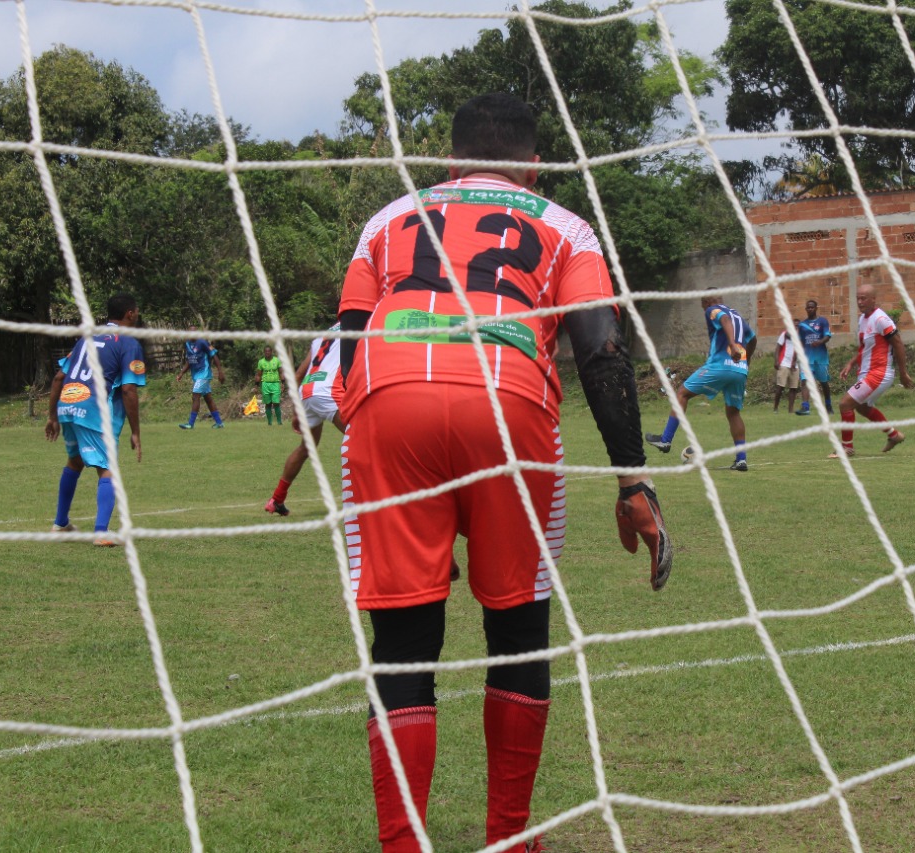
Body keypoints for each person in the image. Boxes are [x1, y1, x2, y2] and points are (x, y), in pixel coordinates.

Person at [336, 92, 672, 853]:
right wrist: (631, 480)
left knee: (403, 641)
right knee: (519, 627)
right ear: (536, 163)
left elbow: (351, 336)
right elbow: (599, 349)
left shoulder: (387, 217)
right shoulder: (564, 224)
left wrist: (372, 439)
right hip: (508, 402)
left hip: (389, 398)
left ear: (450, 161)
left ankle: (402, 844)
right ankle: (510, 839)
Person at [44, 292, 147, 546]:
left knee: (75, 461)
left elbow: (59, 377)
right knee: (107, 468)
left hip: (68, 403)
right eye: (136, 311)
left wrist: (52, 416)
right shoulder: (128, 342)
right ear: (129, 314)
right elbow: (128, 390)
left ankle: (60, 524)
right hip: (92, 408)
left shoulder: (87, 337)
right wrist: (136, 431)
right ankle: (101, 532)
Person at [645, 293, 757, 471]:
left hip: (719, 366)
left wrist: (733, 346)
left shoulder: (713, 309)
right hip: (739, 370)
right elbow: (753, 339)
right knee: (734, 413)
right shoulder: (738, 316)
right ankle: (741, 460)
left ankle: (665, 440)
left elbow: (725, 320)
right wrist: (746, 361)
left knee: (682, 393)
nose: (703, 309)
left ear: (707, 301)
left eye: (702, 305)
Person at [264, 325, 345, 517]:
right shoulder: (359, 324)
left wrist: (296, 411)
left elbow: (299, 374)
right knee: (365, 440)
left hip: (307, 391)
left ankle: (277, 499)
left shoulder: (321, 336)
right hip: (328, 392)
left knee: (306, 448)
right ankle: (373, 498)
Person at [832, 285, 915, 457]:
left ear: (873, 300)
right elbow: (865, 348)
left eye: (864, 298)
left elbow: (898, 344)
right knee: (861, 407)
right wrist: (851, 363)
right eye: (858, 298)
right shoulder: (863, 319)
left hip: (880, 373)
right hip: (867, 372)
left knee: (845, 404)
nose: (860, 302)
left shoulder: (881, 319)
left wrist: (903, 372)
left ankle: (847, 448)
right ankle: (894, 435)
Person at [175, 327, 225, 429]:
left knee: (195, 396)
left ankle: (190, 424)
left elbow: (214, 355)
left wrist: (220, 371)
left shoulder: (203, 342)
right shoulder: (188, 344)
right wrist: (181, 373)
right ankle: (219, 423)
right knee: (208, 399)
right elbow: (190, 360)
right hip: (196, 375)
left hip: (204, 374)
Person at [797, 299, 833, 416]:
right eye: (808, 307)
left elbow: (827, 336)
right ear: (806, 309)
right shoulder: (802, 325)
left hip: (821, 358)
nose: (810, 309)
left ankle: (828, 405)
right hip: (807, 359)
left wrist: (819, 342)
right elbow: (800, 341)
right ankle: (805, 407)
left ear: (816, 308)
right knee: (805, 381)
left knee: (823, 382)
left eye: (812, 307)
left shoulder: (823, 321)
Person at [772, 326, 800, 413]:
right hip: (784, 363)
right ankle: (775, 408)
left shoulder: (801, 336)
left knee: (793, 388)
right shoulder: (784, 334)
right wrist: (776, 361)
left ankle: (790, 409)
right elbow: (778, 348)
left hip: (795, 366)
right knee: (780, 387)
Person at [255, 345, 283, 426]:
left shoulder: (277, 360)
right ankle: (269, 422)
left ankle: (279, 422)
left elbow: (281, 372)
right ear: (264, 352)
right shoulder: (261, 362)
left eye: (269, 351)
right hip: (265, 384)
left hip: (275, 383)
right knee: (268, 403)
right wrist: (256, 386)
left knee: (276, 402)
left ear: (271, 352)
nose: (267, 353)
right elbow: (259, 375)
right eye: (265, 351)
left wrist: (282, 383)